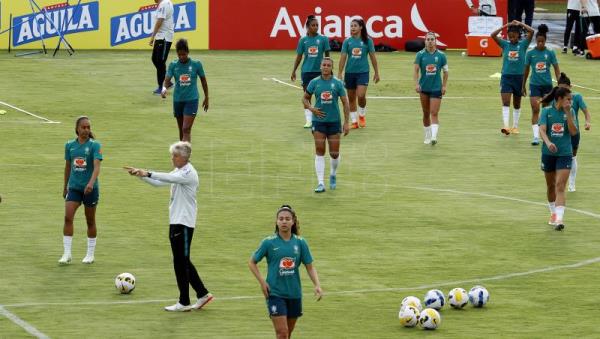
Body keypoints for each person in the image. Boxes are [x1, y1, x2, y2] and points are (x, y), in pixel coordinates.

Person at [125, 141, 213, 312]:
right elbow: (160, 182)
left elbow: (168, 178)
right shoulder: (180, 170)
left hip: (184, 223)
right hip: (176, 221)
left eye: (174, 155)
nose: (172, 158)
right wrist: (141, 175)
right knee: (183, 261)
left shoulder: (188, 172)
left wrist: (148, 172)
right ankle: (202, 294)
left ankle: (184, 302)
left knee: (181, 262)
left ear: (183, 157)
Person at [248, 205, 323, 339]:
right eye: (281, 219)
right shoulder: (268, 242)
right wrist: (262, 282)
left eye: (287, 219)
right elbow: (252, 262)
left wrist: (317, 285)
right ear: (276, 221)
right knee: (282, 333)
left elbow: (309, 266)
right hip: (275, 293)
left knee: (288, 334)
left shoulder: (300, 243)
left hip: (294, 294)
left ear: (293, 221)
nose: (284, 221)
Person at [59, 116, 102, 265]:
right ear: (77, 129)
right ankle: (67, 254)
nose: (86, 130)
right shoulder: (69, 145)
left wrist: (90, 183)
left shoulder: (95, 146)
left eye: (88, 127)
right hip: (74, 188)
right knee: (68, 217)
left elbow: (97, 167)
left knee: (90, 221)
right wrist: (65, 186)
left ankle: (90, 254)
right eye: (83, 127)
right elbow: (68, 167)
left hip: (90, 190)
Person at [303, 57, 350, 193]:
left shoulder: (338, 84)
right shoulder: (314, 82)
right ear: (320, 67)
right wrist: (311, 109)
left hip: (334, 122)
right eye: (323, 65)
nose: (325, 67)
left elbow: (345, 103)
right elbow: (305, 98)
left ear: (331, 68)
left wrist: (346, 122)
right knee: (319, 150)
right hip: (318, 122)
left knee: (334, 153)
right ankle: (321, 183)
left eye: (328, 65)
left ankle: (333, 174)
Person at [539, 87, 578, 231]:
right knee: (550, 186)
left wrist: (568, 113)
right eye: (568, 99)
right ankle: (553, 213)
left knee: (560, 185)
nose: (570, 102)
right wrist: (548, 143)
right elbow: (542, 130)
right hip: (548, 153)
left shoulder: (571, 112)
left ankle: (560, 220)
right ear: (560, 98)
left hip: (565, 153)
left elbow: (573, 132)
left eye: (571, 99)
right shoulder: (546, 112)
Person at [491, 20, 534, 135]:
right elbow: (493, 35)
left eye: (514, 37)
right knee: (505, 102)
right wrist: (507, 25)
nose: (511, 39)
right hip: (506, 77)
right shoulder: (505, 44)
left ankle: (515, 126)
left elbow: (532, 31)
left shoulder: (523, 45)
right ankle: (506, 126)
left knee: (517, 103)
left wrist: (520, 24)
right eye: (510, 37)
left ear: (518, 36)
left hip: (519, 78)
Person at [161, 39, 209, 142]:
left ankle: (185, 156)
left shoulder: (196, 64)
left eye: (184, 54)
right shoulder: (173, 65)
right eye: (179, 55)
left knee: (186, 128)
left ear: (188, 52)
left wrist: (206, 97)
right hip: (178, 100)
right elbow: (167, 80)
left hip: (192, 100)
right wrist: (164, 89)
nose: (182, 57)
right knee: (182, 130)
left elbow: (204, 81)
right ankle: (184, 156)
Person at [338, 18, 380, 129]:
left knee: (361, 96)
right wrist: (340, 72)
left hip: (363, 72)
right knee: (351, 98)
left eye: (355, 26)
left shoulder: (367, 41)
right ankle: (354, 121)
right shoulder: (347, 41)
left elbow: (372, 57)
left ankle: (361, 116)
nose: (352, 28)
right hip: (349, 73)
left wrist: (376, 72)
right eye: (351, 26)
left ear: (361, 27)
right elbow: (343, 57)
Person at [523, 24, 560, 146]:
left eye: (542, 41)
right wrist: (523, 84)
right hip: (534, 85)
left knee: (546, 111)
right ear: (535, 40)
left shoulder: (550, 53)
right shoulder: (530, 54)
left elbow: (556, 68)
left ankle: (546, 135)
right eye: (538, 41)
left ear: (545, 41)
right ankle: (535, 137)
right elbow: (526, 70)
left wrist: (559, 84)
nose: (540, 44)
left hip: (547, 85)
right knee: (535, 109)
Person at [291, 15, 331, 128]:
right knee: (307, 96)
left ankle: (321, 117)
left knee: (322, 96)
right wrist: (294, 70)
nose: (316, 27)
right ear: (307, 27)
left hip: (320, 72)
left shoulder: (323, 39)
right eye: (313, 25)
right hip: (307, 72)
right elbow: (299, 57)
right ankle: (309, 120)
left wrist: (329, 69)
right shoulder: (303, 40)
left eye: (317, 25)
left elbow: (327, 56)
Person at [555, 73, 592, 192]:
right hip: (559, 133)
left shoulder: (577, 97)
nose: (563, 90)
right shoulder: (555, 99)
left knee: (572, 156)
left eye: (565, 88)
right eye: (560, 87)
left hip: (573, 132)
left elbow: (586, 111)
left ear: (570, 87)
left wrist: (587, 122)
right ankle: (559, 182)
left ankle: (572, 183)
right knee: (558, 157)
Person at [413, 32, 449, 145]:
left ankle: (434, 137)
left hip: (436, 88)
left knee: (434, 112)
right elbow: (416, 70)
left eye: (432, 39)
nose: (430, 41)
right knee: (425, 113)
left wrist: (444, 85)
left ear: (435, 41)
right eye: (428, 39)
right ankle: (427, 135)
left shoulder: (442, 55)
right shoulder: (420, 55)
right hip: (424, 88)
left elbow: (446, 72)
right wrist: (416, 84)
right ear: (425, 41)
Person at [149, 0, 174, 95]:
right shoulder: (166, 3)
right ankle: (168, 82)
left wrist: (152, 36)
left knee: (160, 60)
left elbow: (160, 21)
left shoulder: (163, 4)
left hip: (164, 37)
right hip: (161, 36)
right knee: (155, 59)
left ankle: (162, 86)